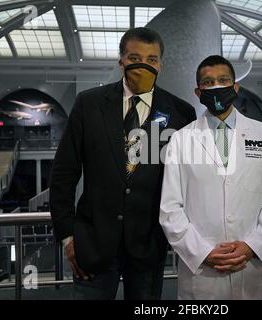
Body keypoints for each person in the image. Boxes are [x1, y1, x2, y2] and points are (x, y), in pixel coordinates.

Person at [50, 27, 196, 300]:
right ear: (121, 61)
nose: (143, 64)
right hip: (91, 245)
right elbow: (63, 174)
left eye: (152, 59)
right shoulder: (88, 104)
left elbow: (189, 180)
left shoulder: (181, 113)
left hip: (148, 246)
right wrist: (68, 236)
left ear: (161, 64)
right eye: (134, 57)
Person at [159, 55, 262, 299]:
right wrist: (203, 252)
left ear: (235, 87)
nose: (216, 87)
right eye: (208, 83)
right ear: (198, 93)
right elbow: (170, 208)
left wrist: (253, 246)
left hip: (252, 267)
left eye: (223, 80)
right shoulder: (181, 139)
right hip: (203, 270)